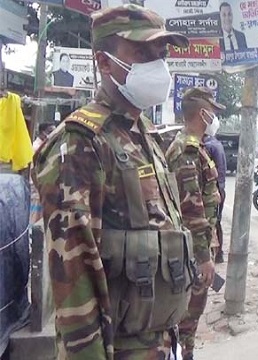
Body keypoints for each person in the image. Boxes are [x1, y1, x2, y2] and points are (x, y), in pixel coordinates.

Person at [32, 5, 194, 359]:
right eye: (141, 52)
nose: (157, 65)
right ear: (104, 63)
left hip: (159, 343)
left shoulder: (145, 135)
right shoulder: (80, 143)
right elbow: (73, 277)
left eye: (161, 53)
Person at [165, 87, 223, 360]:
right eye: (213, 112)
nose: (215, 118)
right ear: (203, 113)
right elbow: (192, 209)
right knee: (186, 318)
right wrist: (203, 257)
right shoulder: (186, 150)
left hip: (194, 246)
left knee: (190, 317)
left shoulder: (195, 148)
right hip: (189, 251)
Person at [204, 130, 227, 264]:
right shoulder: (216, 144)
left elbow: (212, 171)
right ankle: (218, 253)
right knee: (216, 221)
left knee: (213, 222)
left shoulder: (208, 146)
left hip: (214, 190)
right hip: (219, 188)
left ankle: (216, 253)